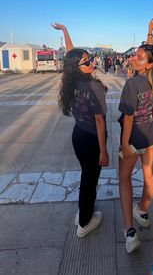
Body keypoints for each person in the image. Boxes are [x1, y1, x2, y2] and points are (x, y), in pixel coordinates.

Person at [51, 23, 109, 237]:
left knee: (87, 175)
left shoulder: (72, 79)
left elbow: (70, 55)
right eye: (88, 61)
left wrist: (65, 31)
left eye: (91, 59)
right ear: (79, 66)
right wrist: (104, 150)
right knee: (89, 179)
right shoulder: (93, 86)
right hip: (93, 139)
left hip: (78, 135)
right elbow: (101, 122)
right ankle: (85, 222)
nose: (92, 62)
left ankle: (85, 211)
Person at [118, 17, 153, 254]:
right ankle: (142, 211)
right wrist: (149, 32)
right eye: (133, 54)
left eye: (138, 57)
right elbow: (151, 54)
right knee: (150, 178)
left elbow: (128, 117)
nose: (133, 58)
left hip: (134, 138)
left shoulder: (132, 84)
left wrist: (125, 143)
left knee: (124, 178)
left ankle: (129, 231)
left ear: (147, 65)